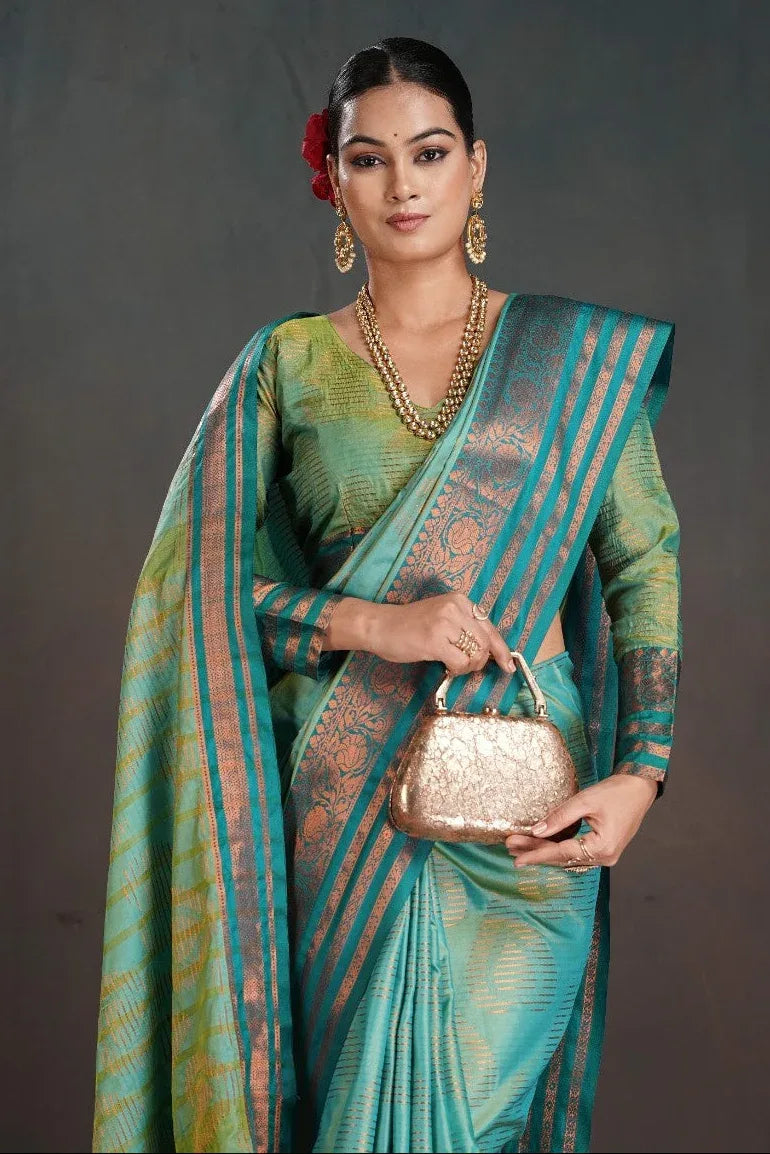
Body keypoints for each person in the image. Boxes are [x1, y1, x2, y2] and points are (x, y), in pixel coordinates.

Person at [92, 36, 682, 1154]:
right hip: (340, 803)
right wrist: (371, 622)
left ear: (476, 166)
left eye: (430, 151)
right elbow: (192, 600)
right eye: (369, 159)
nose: (403, 184)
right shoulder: (286, 365)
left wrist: (641, 773)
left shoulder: (570, 358)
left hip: (521, 821)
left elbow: (643, 560)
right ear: (334, 179)